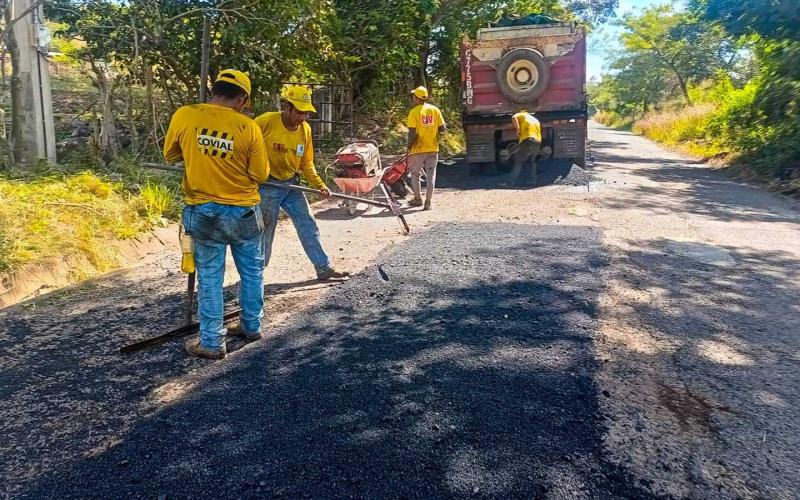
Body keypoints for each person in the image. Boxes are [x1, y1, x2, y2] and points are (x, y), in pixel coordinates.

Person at [163, 69, 270, 360]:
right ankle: (251, 326)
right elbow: (260, 174)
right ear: (242, 99)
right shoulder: (248, 127)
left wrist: (199, 153)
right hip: (244, 211)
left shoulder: (186, 115)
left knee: (210, 276)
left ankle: (211, 343)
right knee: (252, 271)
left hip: (203, 210)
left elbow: (170, 155)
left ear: (215, 90)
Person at [255, 85, 349, 281]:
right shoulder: (265, 122)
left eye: (306, 113)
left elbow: (306, 162)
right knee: (265, 231)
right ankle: (255, 277)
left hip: (292, 185)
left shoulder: (305, 129)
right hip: (269, 185)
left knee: (308, 223)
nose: (303, 117)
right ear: (287, 107)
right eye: (299, 112)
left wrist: (319, 185)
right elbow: (245, 144)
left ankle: (324, 268)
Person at [406, 86, 446, 210]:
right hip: (433, 148)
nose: (412, 98)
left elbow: (412, 133)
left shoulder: (414, 112)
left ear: (417, 98)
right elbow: (442, 128)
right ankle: (428, 202)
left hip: (418, 149)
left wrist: (409, 146)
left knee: (415, 174)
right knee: (431, 176)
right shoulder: (435, 110)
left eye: (413, 96)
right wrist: (436, 138)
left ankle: (418, 199)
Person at [511, 109, 542, 186]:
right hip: (537, 141)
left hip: (527, 139)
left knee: (519, 160)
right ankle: (532, 181)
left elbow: (513, 117)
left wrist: (518, 130)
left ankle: (511, 182)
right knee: (532, 161)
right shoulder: (535, 119)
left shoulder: (521, 114)